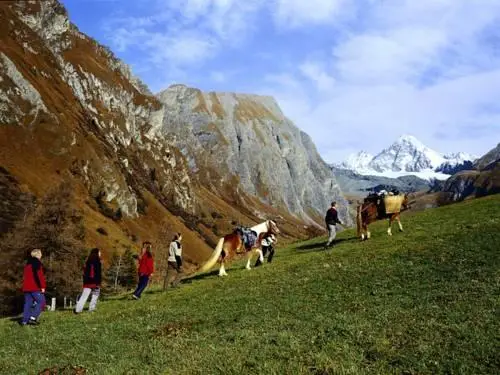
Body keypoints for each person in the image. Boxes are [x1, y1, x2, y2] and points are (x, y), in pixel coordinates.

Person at [21, 249, 46, 326]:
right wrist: (42, 286)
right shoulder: (37, 263)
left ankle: (24, 321)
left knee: (28, 304)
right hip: (35, 287)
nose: (41, 255)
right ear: (37, 254)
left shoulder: (27, 264)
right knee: (42, 302)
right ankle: (33, 317)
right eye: (40, 253)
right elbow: (39, 276)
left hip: (26, 288)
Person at [75, 248, 102, 314]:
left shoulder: (88, 261)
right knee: (95, 295)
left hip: (87, 282)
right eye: (99, 252)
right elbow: (97, 273)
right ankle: (91, 309)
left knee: (84, 296)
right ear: (96, 253)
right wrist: (98, 282)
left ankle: (78, 310)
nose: (100, 254)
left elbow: (85, 273)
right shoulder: (97, 261)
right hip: (94, 282)